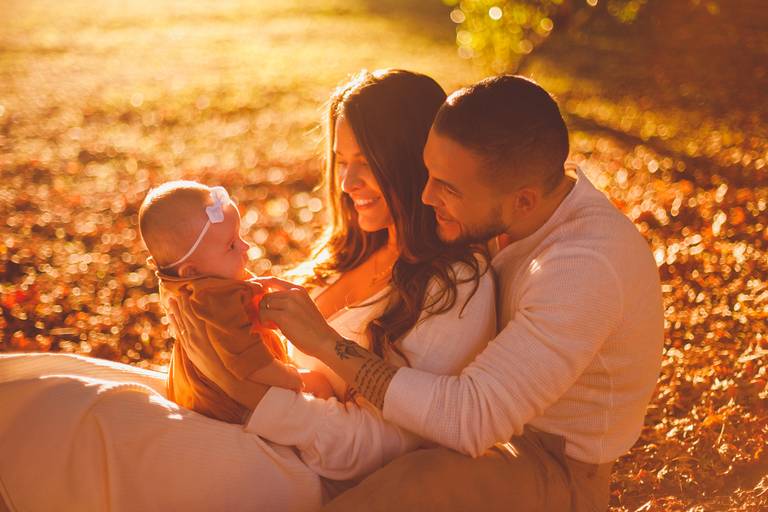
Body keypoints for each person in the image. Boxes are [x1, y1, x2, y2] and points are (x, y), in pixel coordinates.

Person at [0, 69, 496, 511]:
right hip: (243, 416)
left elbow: (384, 447)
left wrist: (264, 402)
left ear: (414, 161)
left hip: (302, 470)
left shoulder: (454, 286)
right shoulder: (351, 251)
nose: (347, 181)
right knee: (45, 387)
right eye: (341, 160)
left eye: (366, 161)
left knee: (92, 421)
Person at [253, 75, 665, 511]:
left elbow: (470, 418)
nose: (427, 195)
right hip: (479, 434)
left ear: (523, 202)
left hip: (549, 464)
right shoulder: (504, 207)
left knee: (413, 486)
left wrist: (326, 343)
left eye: (448, 188)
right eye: (428, 172)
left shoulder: (582, 267)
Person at [138, 181, 302, 424]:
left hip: (199, 392)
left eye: (240, 237)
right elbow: (247, 359)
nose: (246, 246)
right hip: (230, 404)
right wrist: (291, 378)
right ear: (191, 270)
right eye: (232, 245)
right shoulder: (215, 298)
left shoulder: (185, 284)